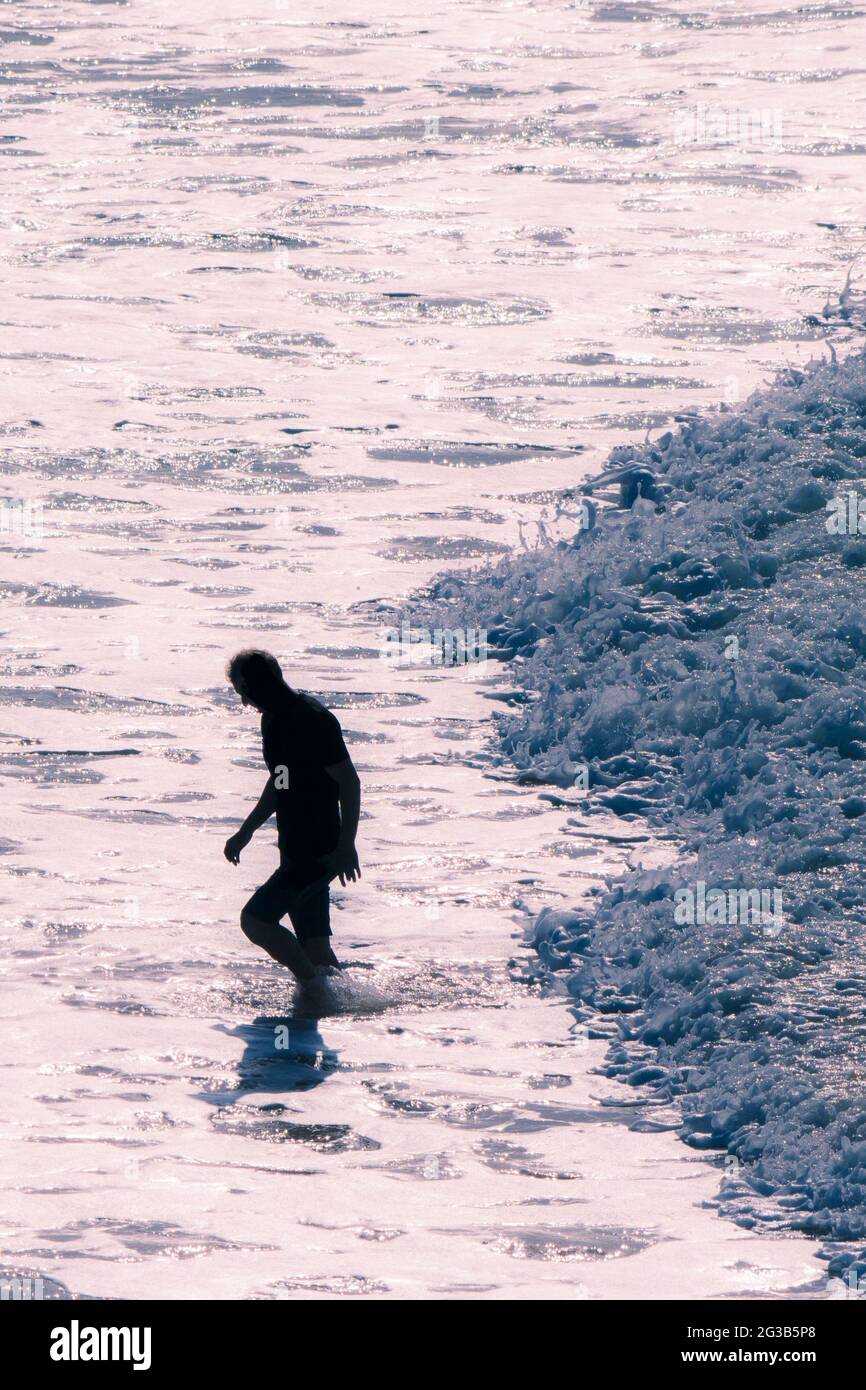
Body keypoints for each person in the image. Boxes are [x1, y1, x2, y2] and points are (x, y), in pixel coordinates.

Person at [223, 649, 361, 986]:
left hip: (320, 849)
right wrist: (247, 830)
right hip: (294, 846)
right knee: (315, 949)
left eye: (244, 690)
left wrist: (346, 847)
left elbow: (349, 781)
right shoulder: (272, 720)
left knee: (256, 922)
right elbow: (280, 780)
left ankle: (314, 991)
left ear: (260, 682)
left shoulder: (313, 720)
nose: (244, 702)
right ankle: (348, 1006)